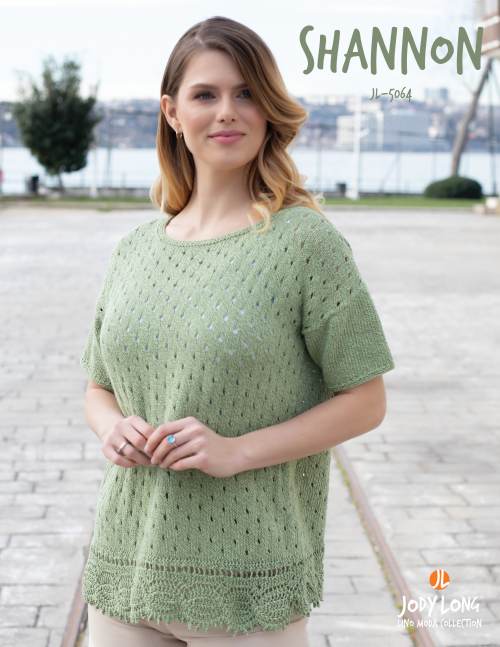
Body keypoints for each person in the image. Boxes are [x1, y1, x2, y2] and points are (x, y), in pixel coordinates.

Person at [80, 15, 396, 647]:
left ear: (268, 109)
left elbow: (366, 400)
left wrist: (236, 451)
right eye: (206, 94)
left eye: (246, 92)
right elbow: (98, 388)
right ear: (172, 113)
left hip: (248, 583)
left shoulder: (305, 244)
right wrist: (112, 428)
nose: (227, 111)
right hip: (126, 568)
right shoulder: (135, 249)